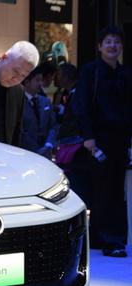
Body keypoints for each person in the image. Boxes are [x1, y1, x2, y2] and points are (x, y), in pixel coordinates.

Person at [71, 26, 132, 257]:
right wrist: (88, 137)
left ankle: (100, 237)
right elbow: (81, 105)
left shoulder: (126, 74)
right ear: (99, 46)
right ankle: (112, 240)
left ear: (122, 46)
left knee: (115, 188)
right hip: (97, 140)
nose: (113, 46)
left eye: (117, 42)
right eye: (108, 42)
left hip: (120, 139)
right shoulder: (91, 71)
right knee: (104, 189)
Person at [20, 68, 57, 157]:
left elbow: (53, 126)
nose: (41, 83)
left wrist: (48, 144)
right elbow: (20, 130)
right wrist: (36, 149)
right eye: (37, 80)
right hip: (26, 152)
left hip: (45, 151)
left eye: (41, 80)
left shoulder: (45, 101)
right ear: (27, 82)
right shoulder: (19, 102)